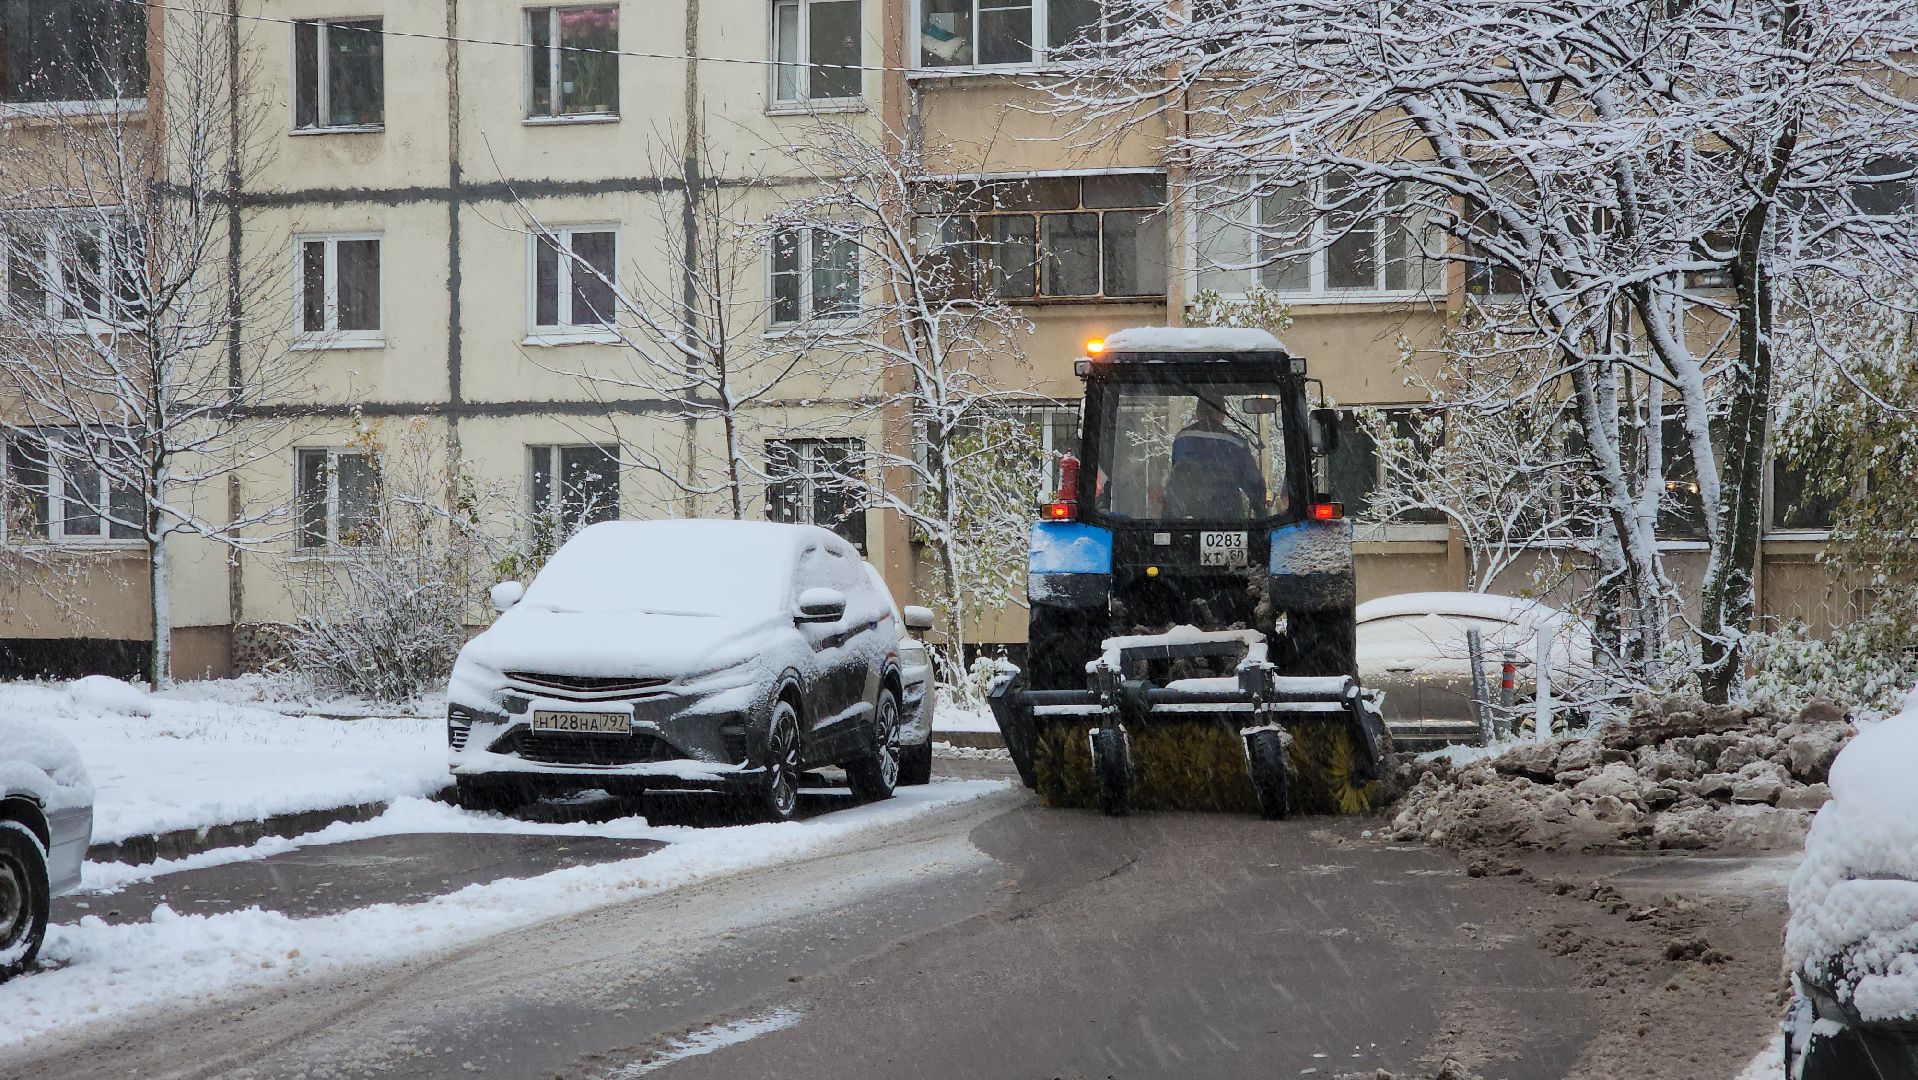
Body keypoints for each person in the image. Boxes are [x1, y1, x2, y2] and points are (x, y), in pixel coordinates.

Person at [1164, 397, 1266, 518]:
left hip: (1185, 515)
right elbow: (1253, 483)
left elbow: (1179, 472)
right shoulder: (1236, 443)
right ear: (1223, 414)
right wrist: (1260, 511)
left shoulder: (1182, 439)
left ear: (1198, 413)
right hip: (1228, 516)